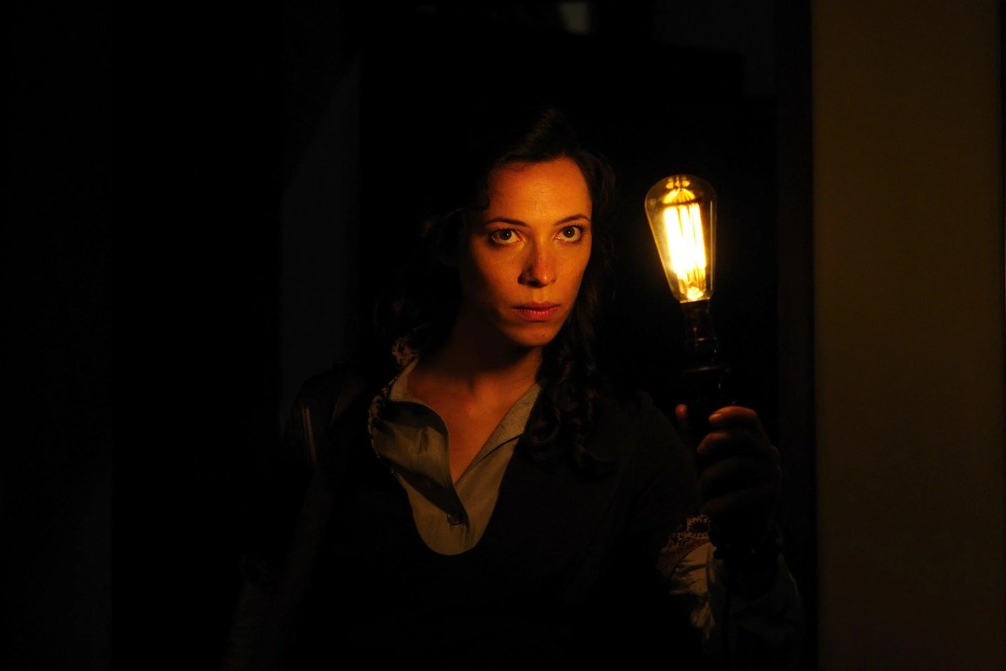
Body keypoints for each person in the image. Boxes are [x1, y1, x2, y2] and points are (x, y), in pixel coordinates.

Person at [225, 102, 803, 670]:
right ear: (449, 240)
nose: (542, 272)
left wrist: (753, 547)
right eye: (507, 235)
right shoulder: (337, 414)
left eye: (569, 233)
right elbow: (261, 617)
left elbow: (741, 642)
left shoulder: (624, 432)